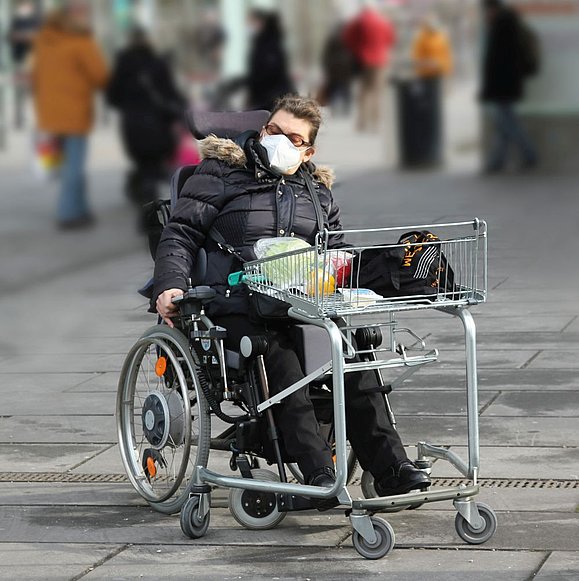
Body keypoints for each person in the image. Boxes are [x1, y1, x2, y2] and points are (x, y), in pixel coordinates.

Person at [153, 95, 430, 504]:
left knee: (349, 353)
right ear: (263, 130)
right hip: (236, 303)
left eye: (293, 137)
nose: (279, 140)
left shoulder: (316, 192)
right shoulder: (221, 174)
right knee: (277, 355)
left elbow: (335, 250)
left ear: (308, 151)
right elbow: (180, 235)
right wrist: (170, 285)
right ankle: (318, 473)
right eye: (274, 131)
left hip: (303, 303)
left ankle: (391, 468)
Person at [31, 0, 108, 230]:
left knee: (68, 164)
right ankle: (68, 214)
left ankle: (81, 208)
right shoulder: (81, 42)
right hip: (74, 112)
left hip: (50, 113)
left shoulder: (44, 40)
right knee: (73, 166)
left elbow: (35, 75)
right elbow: (100, 75)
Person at [106, 27, 186, 215]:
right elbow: (171, 95)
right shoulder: (158, 64)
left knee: (144, 166)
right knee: (153, 165)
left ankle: (145, 202)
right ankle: (149, 209)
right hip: (157, 125)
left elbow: (112, 97)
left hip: (132, 124)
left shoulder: (123, 66)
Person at [480, 0, 538, 173]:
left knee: (508, 123)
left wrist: (489, 88)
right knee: (503, 124)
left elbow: (497, 63)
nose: (485, 16)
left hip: (503, 85)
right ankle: (497, 161)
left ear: (492, 10)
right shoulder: (506, 23)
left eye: (487, 11)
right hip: (506, 84)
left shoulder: (502, 25)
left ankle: (530, 154)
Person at [343, 3, 396, 132]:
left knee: (364, 91)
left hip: (363, 59)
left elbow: (347, 38)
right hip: (381, 60)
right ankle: (376, 122)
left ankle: (362, 122)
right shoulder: (383, 21)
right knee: (377, 92)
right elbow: (391, 39)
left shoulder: (358, 21)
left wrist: (356, 50)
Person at [410, 15, 453, 165]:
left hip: (439, 78)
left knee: (437, 114)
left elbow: (447, 56)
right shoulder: (421, 38)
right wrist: (427, 64)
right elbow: (416, 59)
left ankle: (437, 146)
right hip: (427, 79)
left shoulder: (441, 37)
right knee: (428, 114)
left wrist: (446, 74)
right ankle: (429, 148)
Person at [246, 10, 295, 111]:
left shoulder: (269, 45)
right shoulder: (262, 43)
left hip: (270, 98)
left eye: (253, 22)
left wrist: (254, 91)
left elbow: (268, 73)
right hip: (266, 98)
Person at [8, 0, 40, 129]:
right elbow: (10, 36)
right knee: (19, 90)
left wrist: (30, 37)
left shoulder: (36, 20)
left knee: (33, 89)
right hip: (19, 58)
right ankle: (19, 118)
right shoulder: (15, 21)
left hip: (33, 59)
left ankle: (35, 117)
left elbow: (39, 37)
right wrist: (19, 36)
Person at [320, 23, 356, 116]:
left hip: (334, 69)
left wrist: (326, 68)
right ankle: (346, 109)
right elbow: (353, 54)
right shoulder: (349, 39)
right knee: (345, 89)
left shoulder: (332, 40)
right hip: (345, 68)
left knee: (334, 89)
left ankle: (334, 109)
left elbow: (326, 55)